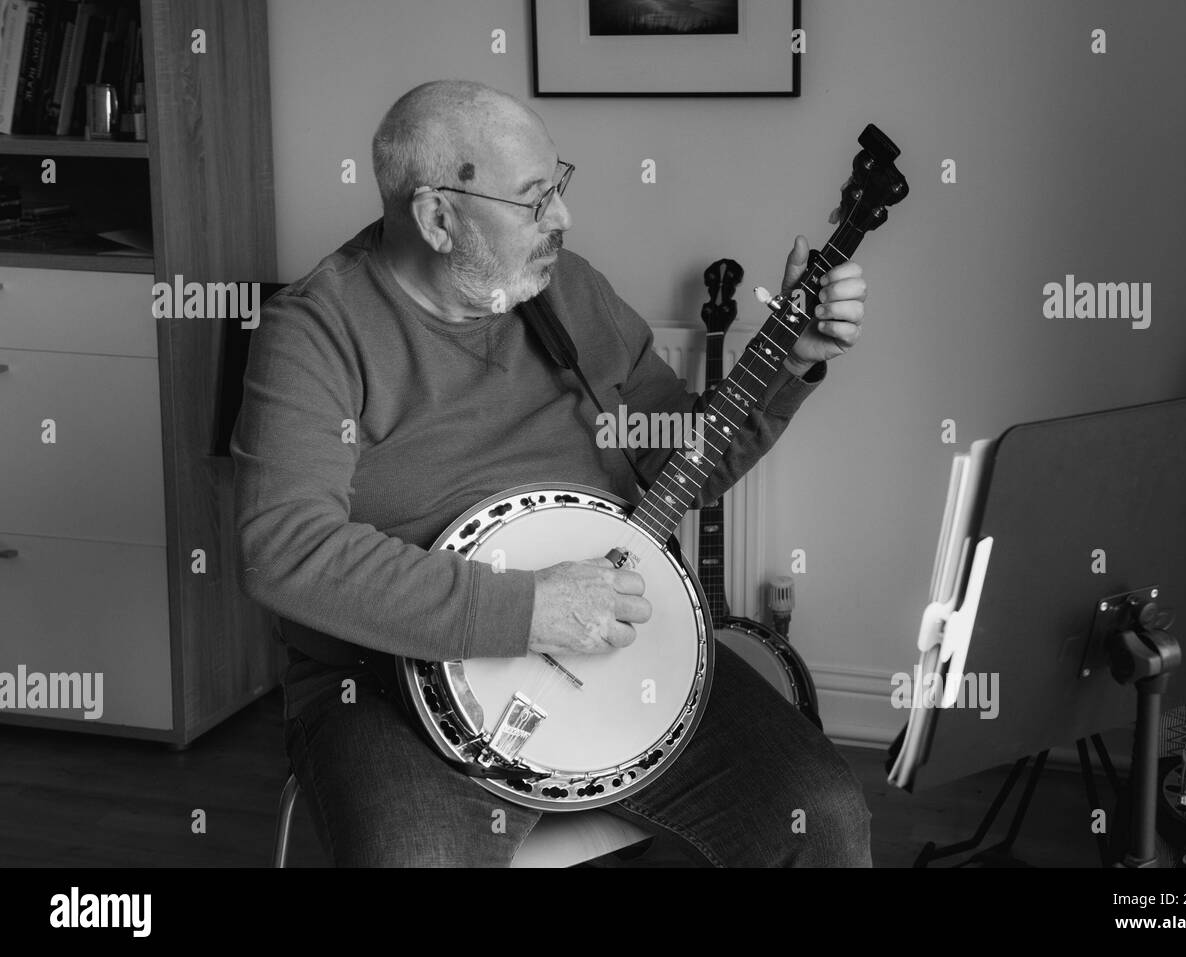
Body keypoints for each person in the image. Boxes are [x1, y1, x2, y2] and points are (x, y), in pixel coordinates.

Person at [232, 80, 873, 867]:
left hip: (609, 651)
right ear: (438, 217)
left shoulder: (568, 291)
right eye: (535, 200)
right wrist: (527, 610)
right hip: (387, 687)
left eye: (557, 187)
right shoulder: (315, 332)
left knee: (822, 811)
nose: (563, 219)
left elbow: (682, 465)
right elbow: (286, 549)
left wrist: (790, 364)